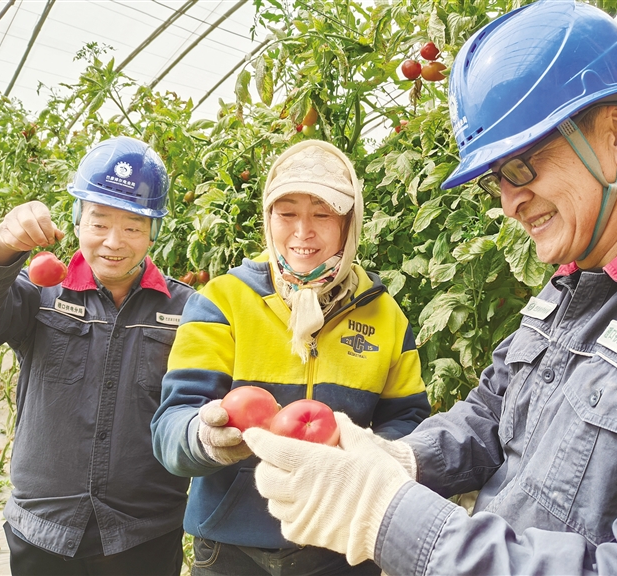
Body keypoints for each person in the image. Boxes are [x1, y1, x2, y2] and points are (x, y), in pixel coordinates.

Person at [242, 1, 617, 575]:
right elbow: (493, 411)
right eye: (495, 180)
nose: (509, 202)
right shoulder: (570, 287)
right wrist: (402, 459)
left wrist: (392, 518)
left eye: (521, 166)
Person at [151, 139, 431, 575]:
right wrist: (204, 439)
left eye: (323, 214)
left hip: (341, 542)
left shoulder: (385, 315)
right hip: (232, 548)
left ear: (349, 223)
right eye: (287, 214)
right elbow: (170, 427)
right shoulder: (224, 301)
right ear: (268, 219)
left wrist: (365, 455)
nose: (303, 232)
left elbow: (409, 418)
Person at [0, 136, 194, 575]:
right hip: (44, 529)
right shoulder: (41, 293)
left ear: (154, 231)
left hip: (144, 533)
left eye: (133, 226)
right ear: (76, 221)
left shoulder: (184, 309)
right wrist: (4, 243)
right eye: (99, 223)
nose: (114, 242)